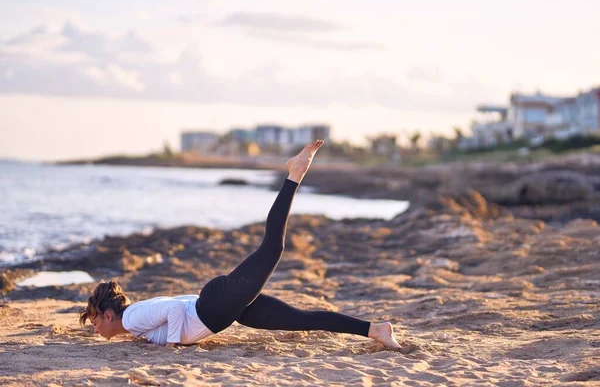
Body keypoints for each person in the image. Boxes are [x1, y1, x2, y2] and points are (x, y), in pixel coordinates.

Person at [79, 140, 402, 349]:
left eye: (94, 323)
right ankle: (376, 329)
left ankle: (294, 174)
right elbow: (177, 305)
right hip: (224, 307)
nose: (95, 330)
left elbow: (176, 309)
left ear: (108, 315)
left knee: (273, 247)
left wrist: (175, 346)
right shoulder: (136, 325)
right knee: (301, 318)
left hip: (216, 306)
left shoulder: (133, 317)